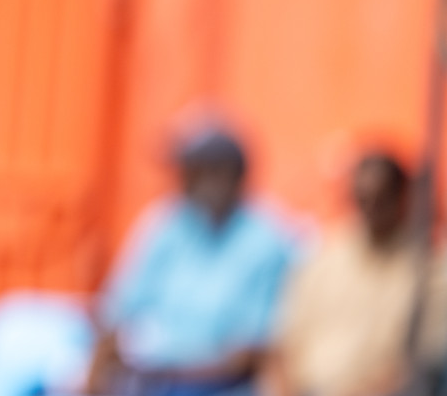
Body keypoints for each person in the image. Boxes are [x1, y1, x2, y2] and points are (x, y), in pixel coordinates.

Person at [87, 125, 294, 396]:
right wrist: (93, 378)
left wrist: (176, 371)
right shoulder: (166, 223)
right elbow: (117, 311)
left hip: (219, 386)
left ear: (227, 175)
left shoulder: (269, 240)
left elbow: (254, 350)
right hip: (143, 380)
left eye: (190, 172)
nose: (180, 182)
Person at [269, 151, 447, 396]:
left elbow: (419, 367)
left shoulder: (429, 269)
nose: (371, 210)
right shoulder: (324, 255)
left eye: (381, 199)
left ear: (402, 197)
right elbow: (282, 345)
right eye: (363, 199)